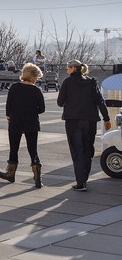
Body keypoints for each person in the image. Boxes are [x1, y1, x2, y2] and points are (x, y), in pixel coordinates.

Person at [57, 60, 110, 192]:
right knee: (88, 150)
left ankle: (81, 182)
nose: (67, 70)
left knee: (77, 151)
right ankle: (84, 179)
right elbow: (100, 101)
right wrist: (106, 118)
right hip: (90, 121)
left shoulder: (68, 82)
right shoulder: (92, 82)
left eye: (68, 68)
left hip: (73, 121)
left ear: (73, 69)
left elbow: (60, 102)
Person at [0, 63, 46, 188]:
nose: (37, 80)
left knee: (14, 148)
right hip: (31, 122)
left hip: (15, 121)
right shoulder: (36, 90)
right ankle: (37, 178)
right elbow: (41, 109)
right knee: (32, 149)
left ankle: (10, 173)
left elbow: (9, 105)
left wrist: (9, 116)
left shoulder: (14, 87)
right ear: (33, 77)